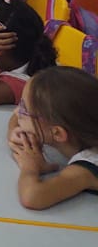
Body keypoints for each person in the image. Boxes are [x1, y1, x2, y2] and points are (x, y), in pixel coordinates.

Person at [8, 66, 98, 209]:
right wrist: (14, 130)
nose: (16, 111)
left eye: (24, 109)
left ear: (57, 133)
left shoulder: (88, 166)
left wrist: (30, 167)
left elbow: (32, 196)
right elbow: (17, 116)